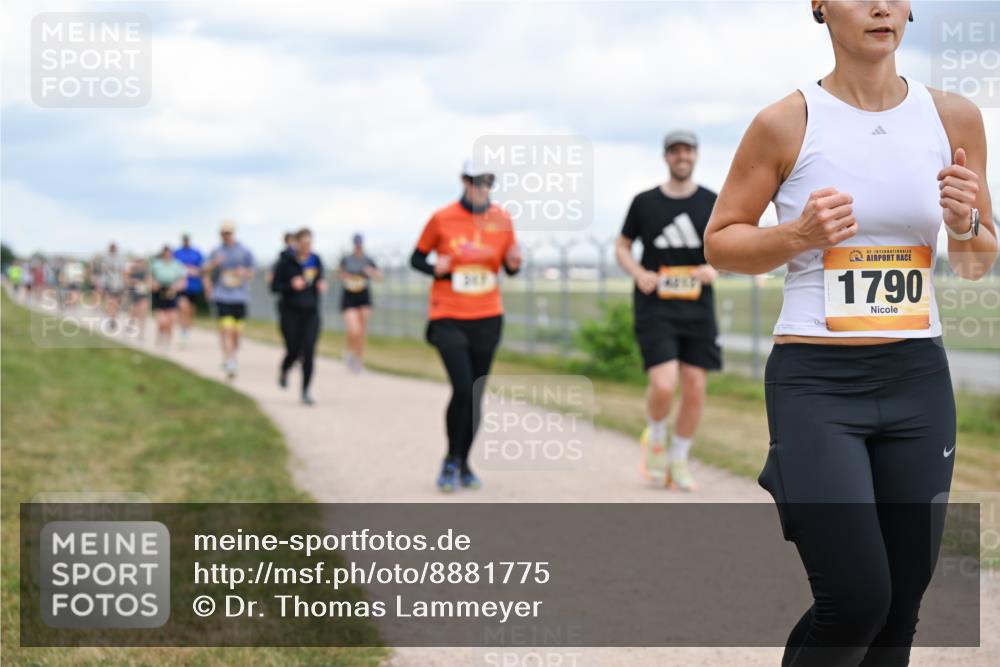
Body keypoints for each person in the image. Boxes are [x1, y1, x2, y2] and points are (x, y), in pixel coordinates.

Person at [704, 2, 995, 665]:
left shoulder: (954, 119)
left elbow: (977, 261)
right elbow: (721, 243)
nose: (880, 5)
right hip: (817, 384)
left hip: (918, 380)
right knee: (858, 595)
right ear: (819, 6)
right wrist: (796, 235)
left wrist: (966, 221)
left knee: (900, 608)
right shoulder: (785, 122)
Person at [615, 130, 721, 491]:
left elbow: (728, 244)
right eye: (675, 151)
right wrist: (638, 273)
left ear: (696, 155)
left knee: (694, 387)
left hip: (698, 308)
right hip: (655, 306)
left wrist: (715, 267)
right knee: (664, 384)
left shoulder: (712, 201)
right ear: (666, 157)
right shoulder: (645, 202)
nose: (682, 156)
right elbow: (623, 246)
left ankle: (680, 458)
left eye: (688, 150)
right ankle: (656, 437)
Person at [410, 159, 521, 492]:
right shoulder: (442, 218)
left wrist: (515, 264)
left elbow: (508, 265)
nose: (482, 187)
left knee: (474, 394)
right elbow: (416, 258)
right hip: (448, 314)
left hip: (487, 315)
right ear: (463, 181)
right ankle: (449, 459)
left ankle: (464, 461)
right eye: (476, 181)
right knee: (461, 388)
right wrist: (435, 268)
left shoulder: (502, 219)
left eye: (488, 182)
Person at [272, 228, 327, 405]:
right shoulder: (286, 262)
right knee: (293, 350)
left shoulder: (316, 260)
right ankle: (285, 370)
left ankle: (305, 391)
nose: (306, 247)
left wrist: (320, 284)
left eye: (309, 243)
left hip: (311, 312)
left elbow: (320, 278)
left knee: (309, 351)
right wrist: (290, 285)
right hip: (290, 312)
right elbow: (274, 287)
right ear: (297, 244)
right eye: (303, 243)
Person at [205, 221, 255, 379]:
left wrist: (244, 272)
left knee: (237, 333)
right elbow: (204, 270)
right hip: (222, 295)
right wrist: (214, 264)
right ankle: (230, 360)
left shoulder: (244, 251)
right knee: (226, 329)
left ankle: (232, 356)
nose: (225, 236)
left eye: (228, 233)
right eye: (223, 233)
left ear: (233, 233)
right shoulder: (216, 251)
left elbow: (252, 272)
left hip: (240, 296)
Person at [338, 233, 381, 373]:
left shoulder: (368, 260)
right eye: (356, 244)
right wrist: (346, 276)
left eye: (359, 244)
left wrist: (371, 272)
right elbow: (339, 274)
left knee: (361, 331)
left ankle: (359, 361)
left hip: (363, 295)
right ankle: (350, 351)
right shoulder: (347, 259)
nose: (358, 247)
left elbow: (379, 276)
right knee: (353, 330)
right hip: (349, 295)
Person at [150, 245, 188, 347]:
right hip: (159, 293)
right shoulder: (156, 264)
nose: (167, 255)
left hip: (172, 293)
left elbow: (183, 281)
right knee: (162, 320)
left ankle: (168, 342)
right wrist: (154, 284)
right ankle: (160, 335)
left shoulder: (177, 264)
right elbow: (150, 278)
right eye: (165, 253)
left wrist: (177, 286)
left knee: (171, 319)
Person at [173, 234, 207, 344]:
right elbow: (172, 266)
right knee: (183, 308)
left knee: (190, 311)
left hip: (194, 287)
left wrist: (196, 271)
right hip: (182, 286)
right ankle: (182, 331)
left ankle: (186, 330)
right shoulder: (177, 253)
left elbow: (203, 268)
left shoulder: (197, 253)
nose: (186, 241)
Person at [96, 243, 127, 332]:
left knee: (116, 303)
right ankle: (111, 318)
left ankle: (113, 318)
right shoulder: (105, 259)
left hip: (118, 285)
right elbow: (103, 273)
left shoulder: (120, 259)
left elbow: (123, 272)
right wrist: (100, 284)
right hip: (108, 284)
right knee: (110, 302)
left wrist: (124, 285)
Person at [126, 256, 151, 340]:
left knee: (143, 313)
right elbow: (126, 280)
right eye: (139, 261)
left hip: (143, 294)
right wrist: (132, 282)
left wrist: (143, 283)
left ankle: (141, 333)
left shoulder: (146, 272)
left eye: (142, 262)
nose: (140, 263)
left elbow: (148, 282)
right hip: (134, 294)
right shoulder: (132, 271)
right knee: (134, 312)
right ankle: (131, 325)